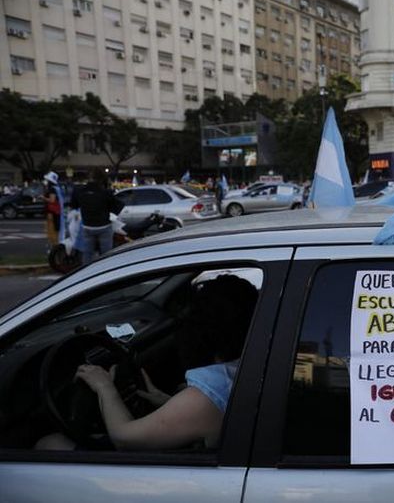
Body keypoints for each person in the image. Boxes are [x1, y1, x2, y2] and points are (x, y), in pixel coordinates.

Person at [37, 274, 259, 451]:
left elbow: (124, 439)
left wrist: (104, 387)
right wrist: (169, 402)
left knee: (50, 443)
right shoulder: (244, 370)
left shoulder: (208, 394)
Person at [70, 168, 124, 264]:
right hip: (104, 225)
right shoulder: (105, 192)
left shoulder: (79, 191)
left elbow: (73, 205)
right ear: (101, 179)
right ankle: (106, 272)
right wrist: (110, 214)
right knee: (106, 254)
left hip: (87, 225)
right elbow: (119, 205)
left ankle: (86, 273)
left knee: (87, 253)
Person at [42, 171, 63, 246]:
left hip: (51, 213)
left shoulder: (52, 189)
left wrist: (43, 198)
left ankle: (54, 247)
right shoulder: (57, 188)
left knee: (52, 231)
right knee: (55, 230)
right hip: (55, 213)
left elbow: (52, 200)